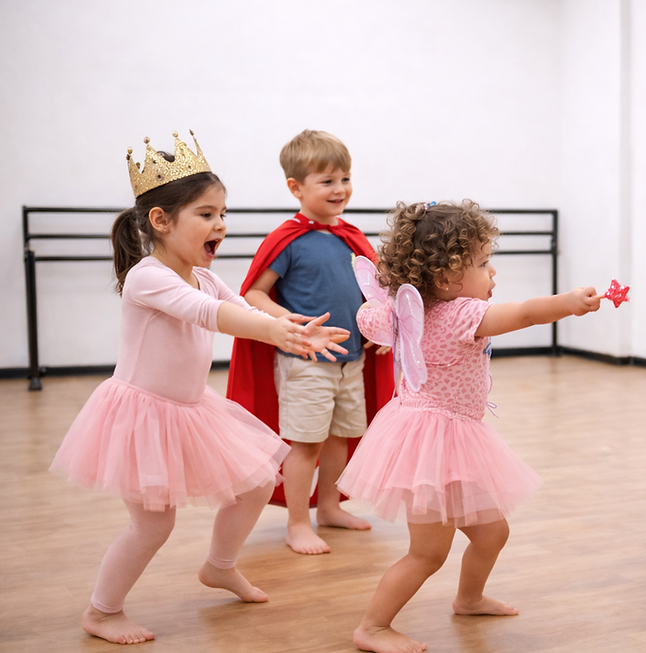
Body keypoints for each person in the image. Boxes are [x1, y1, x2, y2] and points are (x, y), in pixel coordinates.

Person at [49, 131, 350, 645]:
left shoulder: (203, 276)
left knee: (256, 480)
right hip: (143, 414)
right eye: (207, 214)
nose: (220, 225)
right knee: (152, 527)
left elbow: (245, 307)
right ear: (161, 221)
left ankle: (220, 565)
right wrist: (273, 331)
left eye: (222, 214)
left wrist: (293, 327)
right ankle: (101, 611)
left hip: (190, 407)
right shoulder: (149, 277)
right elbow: (210, 316)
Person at [337, 200, 601, 653]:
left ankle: (469, 598)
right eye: (482, 263)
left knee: (492, 532)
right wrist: (568, 304)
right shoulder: (460, 315)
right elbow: (524, 314)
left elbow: (373, 319)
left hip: (442, 437)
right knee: (427, 553)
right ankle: (373, 626)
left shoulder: (410, 312)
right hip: (434, 441)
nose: (492, 272)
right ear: (445, 278)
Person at [226, 129, 395, 555]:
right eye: (327, 181)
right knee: (306, 443)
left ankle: (329, 507)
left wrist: (381, 330)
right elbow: (254, 294)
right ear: (295, 187)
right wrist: (290, 322)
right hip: (305, 362)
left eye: (345, 178)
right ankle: (297, 522)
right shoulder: (289, 239)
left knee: (341, 437)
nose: (340, 189)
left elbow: (373, 295)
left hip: (349, 360)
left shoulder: (351, 238)